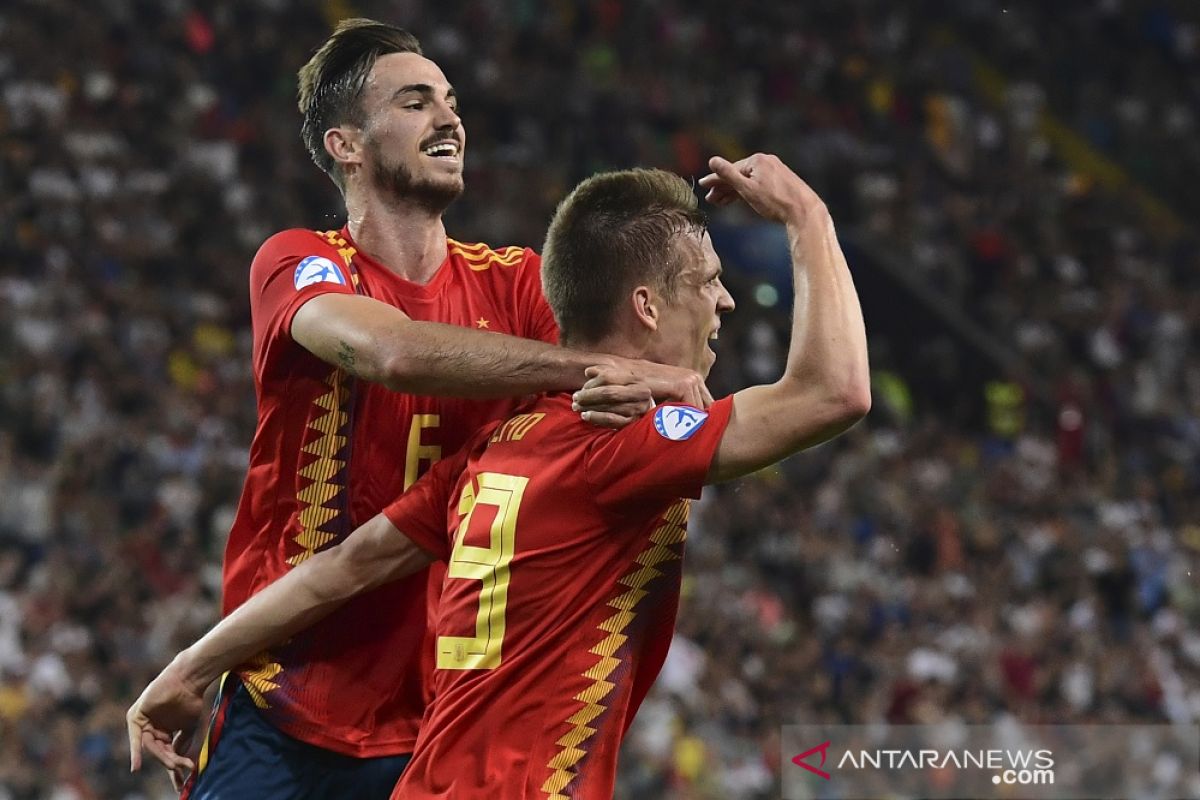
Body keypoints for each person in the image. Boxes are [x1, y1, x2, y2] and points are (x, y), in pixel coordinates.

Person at [129, 154, 870, 797]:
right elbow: (833, 393)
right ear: (645, 306)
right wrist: (808, 216)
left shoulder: (494, 450)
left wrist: (192, 666)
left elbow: (344, 567)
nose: (726, 300)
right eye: (709, 281)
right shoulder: (621, 446)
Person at [170, 17, 710, 800]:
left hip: (448, 726)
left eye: (451, 101)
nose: (450, 118)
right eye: (415, 102)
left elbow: (646, 372)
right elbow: (390, 353)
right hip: (290, 703)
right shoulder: (301, 262)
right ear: (346, 145)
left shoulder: (520, 283)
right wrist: (591, 365)